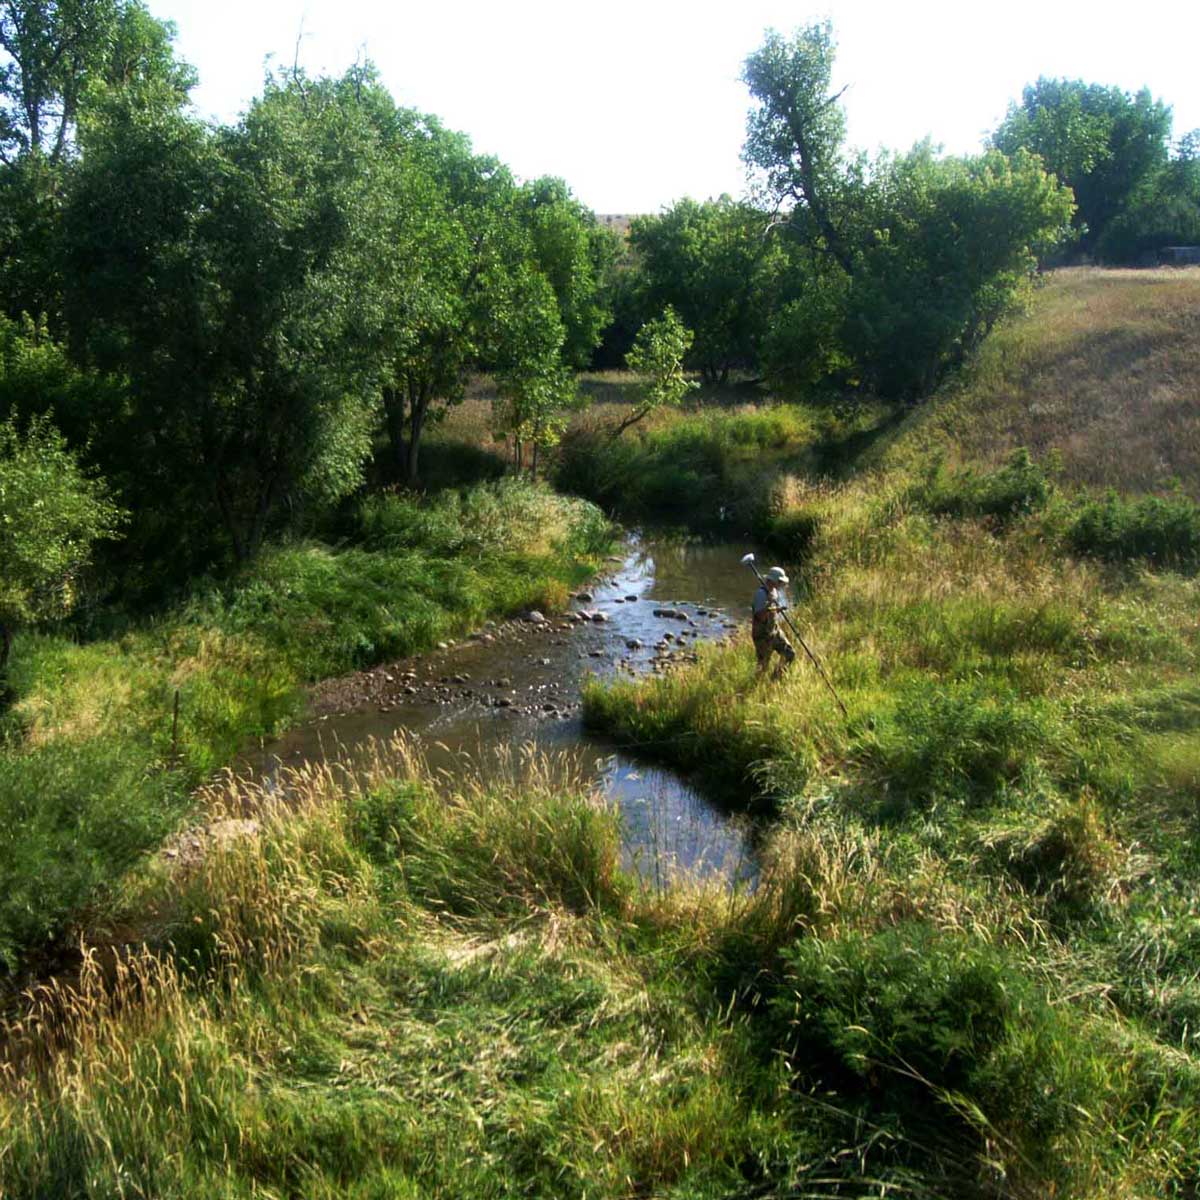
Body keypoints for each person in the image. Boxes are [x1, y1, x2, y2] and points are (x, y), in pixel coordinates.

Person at [751, 566, 797, 679]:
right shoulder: (761, 594)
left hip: (775, 631)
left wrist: (777, 608)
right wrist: (770, 603)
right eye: (780, 582)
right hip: (762, 636)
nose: (781, 585)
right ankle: (756, 687)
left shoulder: (774, 591)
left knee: (789, 653)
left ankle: (775, 678)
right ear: (773, 580)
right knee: (763, 667)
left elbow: (772, 610)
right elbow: (760, 617)